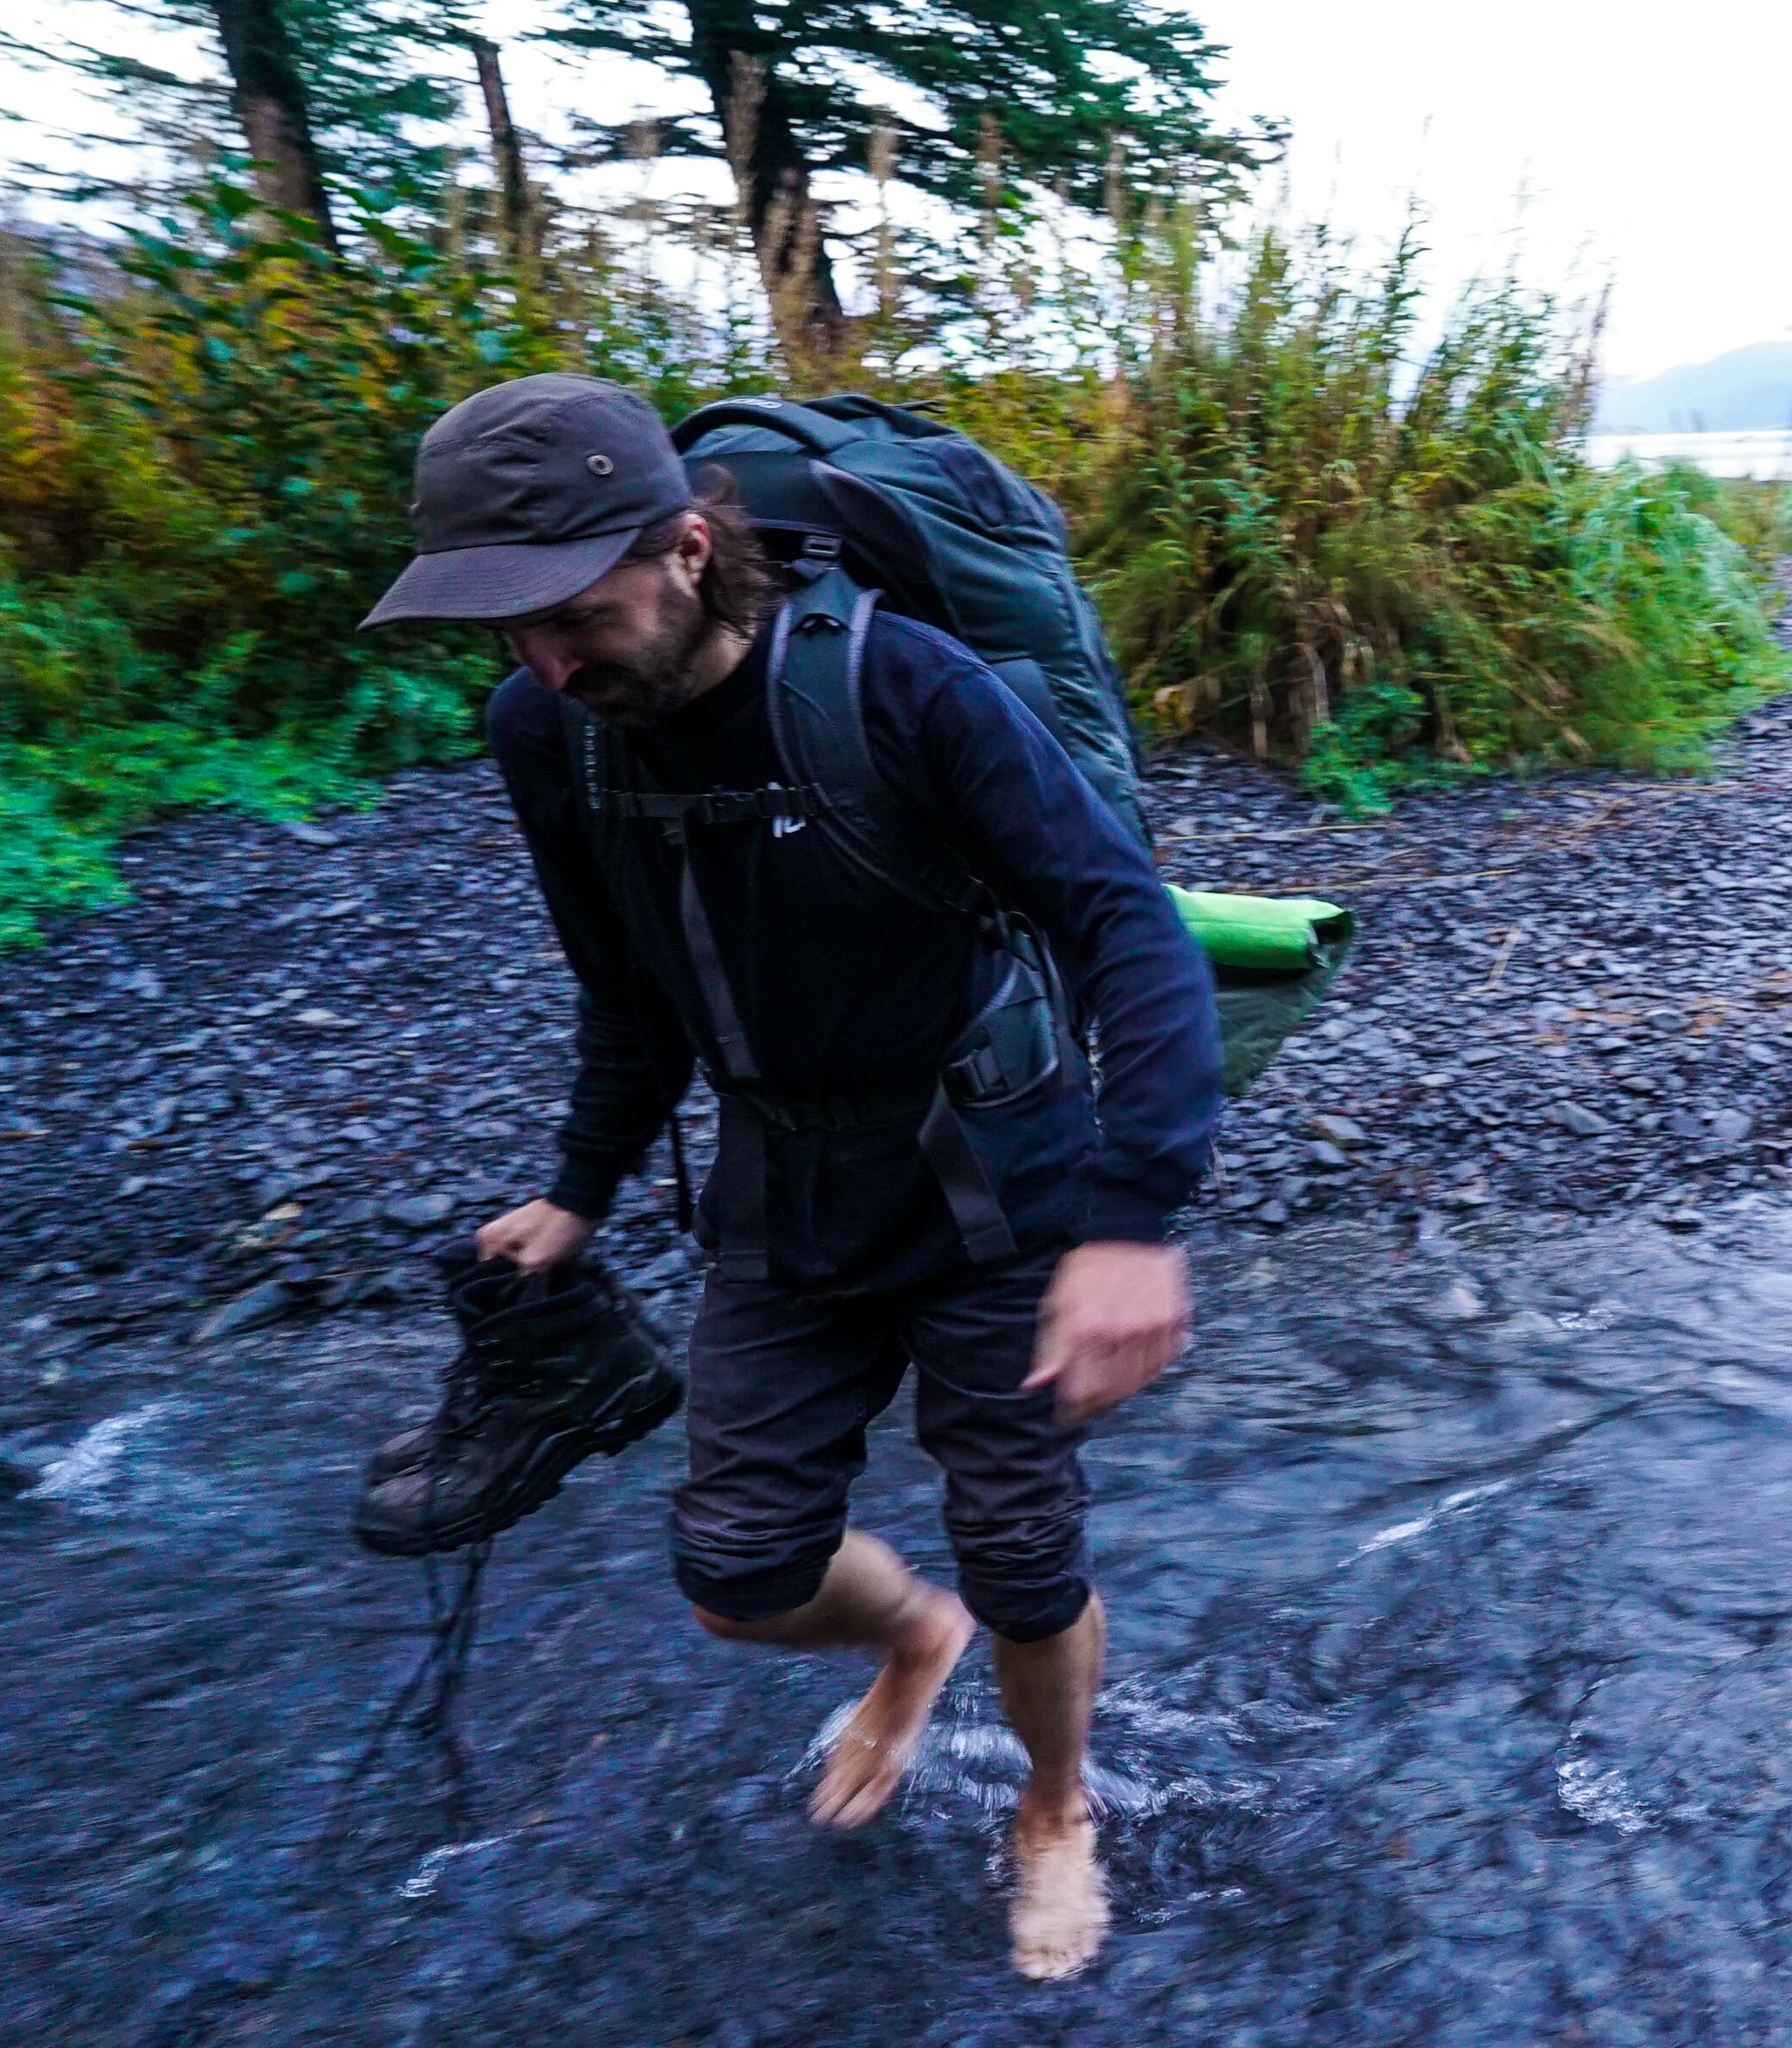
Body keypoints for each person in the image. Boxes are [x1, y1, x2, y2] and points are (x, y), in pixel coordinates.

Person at [357, 372, 1222, 1980]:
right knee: (737, 1577)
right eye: (506, 631)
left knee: (1027, 1552)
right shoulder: (552, 727)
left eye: (570, 613)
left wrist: (1132, 1221)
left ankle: (1052, 1803)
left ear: (687, 547)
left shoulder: (909, 686)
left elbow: (1126, 921)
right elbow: (626, 983)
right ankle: (910, 1633)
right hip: (782, 1186)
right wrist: (583, 1185)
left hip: (996, 1176)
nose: (544, 661)